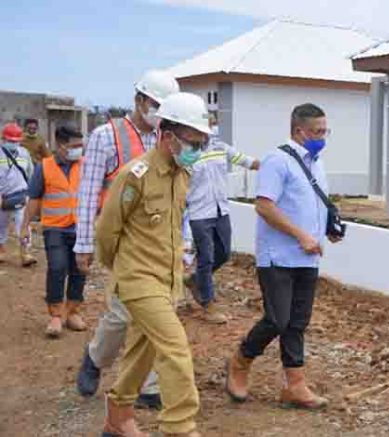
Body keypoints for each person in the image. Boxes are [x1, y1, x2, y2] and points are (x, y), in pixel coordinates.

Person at [96, 92, 209, 437]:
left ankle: (118, 415)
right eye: (193, 142)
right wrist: (122, 275)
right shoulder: (136, 175)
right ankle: (179, 427)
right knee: (175, 350)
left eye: (202, 143)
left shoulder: (182, 173)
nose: (198, 149)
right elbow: (107, 231)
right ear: (168, 135)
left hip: (167, 279)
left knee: (143, 351)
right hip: (138, 279)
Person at [225, 103, 342, 409]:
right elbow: (264, 206)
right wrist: (301, 235)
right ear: (299, 131)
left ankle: (295, 386)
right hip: (278, 256)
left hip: (308, 256)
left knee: (297, 323)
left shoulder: (316, 163)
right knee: (277, 320)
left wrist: (327, 228)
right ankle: (240, 361)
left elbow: (310, 204)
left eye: (325, 131)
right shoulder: (277, 161)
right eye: (317, 132)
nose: (322, 138)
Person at [75, 70, 179, 409]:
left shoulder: (170, 139)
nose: (159, 112)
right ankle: (96, 357)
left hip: (161, 241)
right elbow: (88, 192)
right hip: (123, 241)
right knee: (122, 314)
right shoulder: (106, 136)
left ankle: (148, 385)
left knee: (157, 310)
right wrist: (84, 244)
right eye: (155, 104)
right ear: (139, 99)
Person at [184, 128, 259, 324]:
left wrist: (274, 165)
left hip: (220, 210)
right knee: (206, 258)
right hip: (198, 213)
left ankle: (196, 280)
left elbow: (247, 161)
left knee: (224, 253)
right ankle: (207, 304)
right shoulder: (186, 153)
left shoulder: (220, 147)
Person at [21, 122, 86, 337]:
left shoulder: (85, 165)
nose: (79, 149)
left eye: (81, 145)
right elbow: (34, 198)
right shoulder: (45, 167)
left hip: (81, 227)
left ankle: (73, 311)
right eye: (75, 146)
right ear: (60, 145)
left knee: (79, 269)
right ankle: (56, 315)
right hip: (54, 227)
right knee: (57, 268)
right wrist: (25, 226)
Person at [0, 122, 36, 266]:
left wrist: (30, 192)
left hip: (21, 195)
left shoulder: (24, 153)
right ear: (3, 139)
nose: (13, 143)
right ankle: (1, 251)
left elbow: (30, 173)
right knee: (1, 225)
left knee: (23, 225)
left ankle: (25, 253)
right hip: (2, 196)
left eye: (15, 141)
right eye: (10, 141)